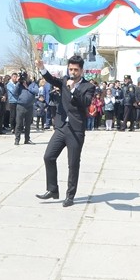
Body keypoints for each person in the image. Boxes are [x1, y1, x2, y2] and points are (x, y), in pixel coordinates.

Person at [35, 56, 95, 207]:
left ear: (82, 70)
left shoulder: (88, 86)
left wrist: (73, 88)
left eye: (76, 70)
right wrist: (42, 67)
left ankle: (70, 195)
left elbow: (86, 102)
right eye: (71, 69)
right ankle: (52, 189)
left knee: (73, 164)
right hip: (62, 127)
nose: (73, 72)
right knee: (48, 157)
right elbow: (50, 79)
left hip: (76, 129)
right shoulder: (64, 81)